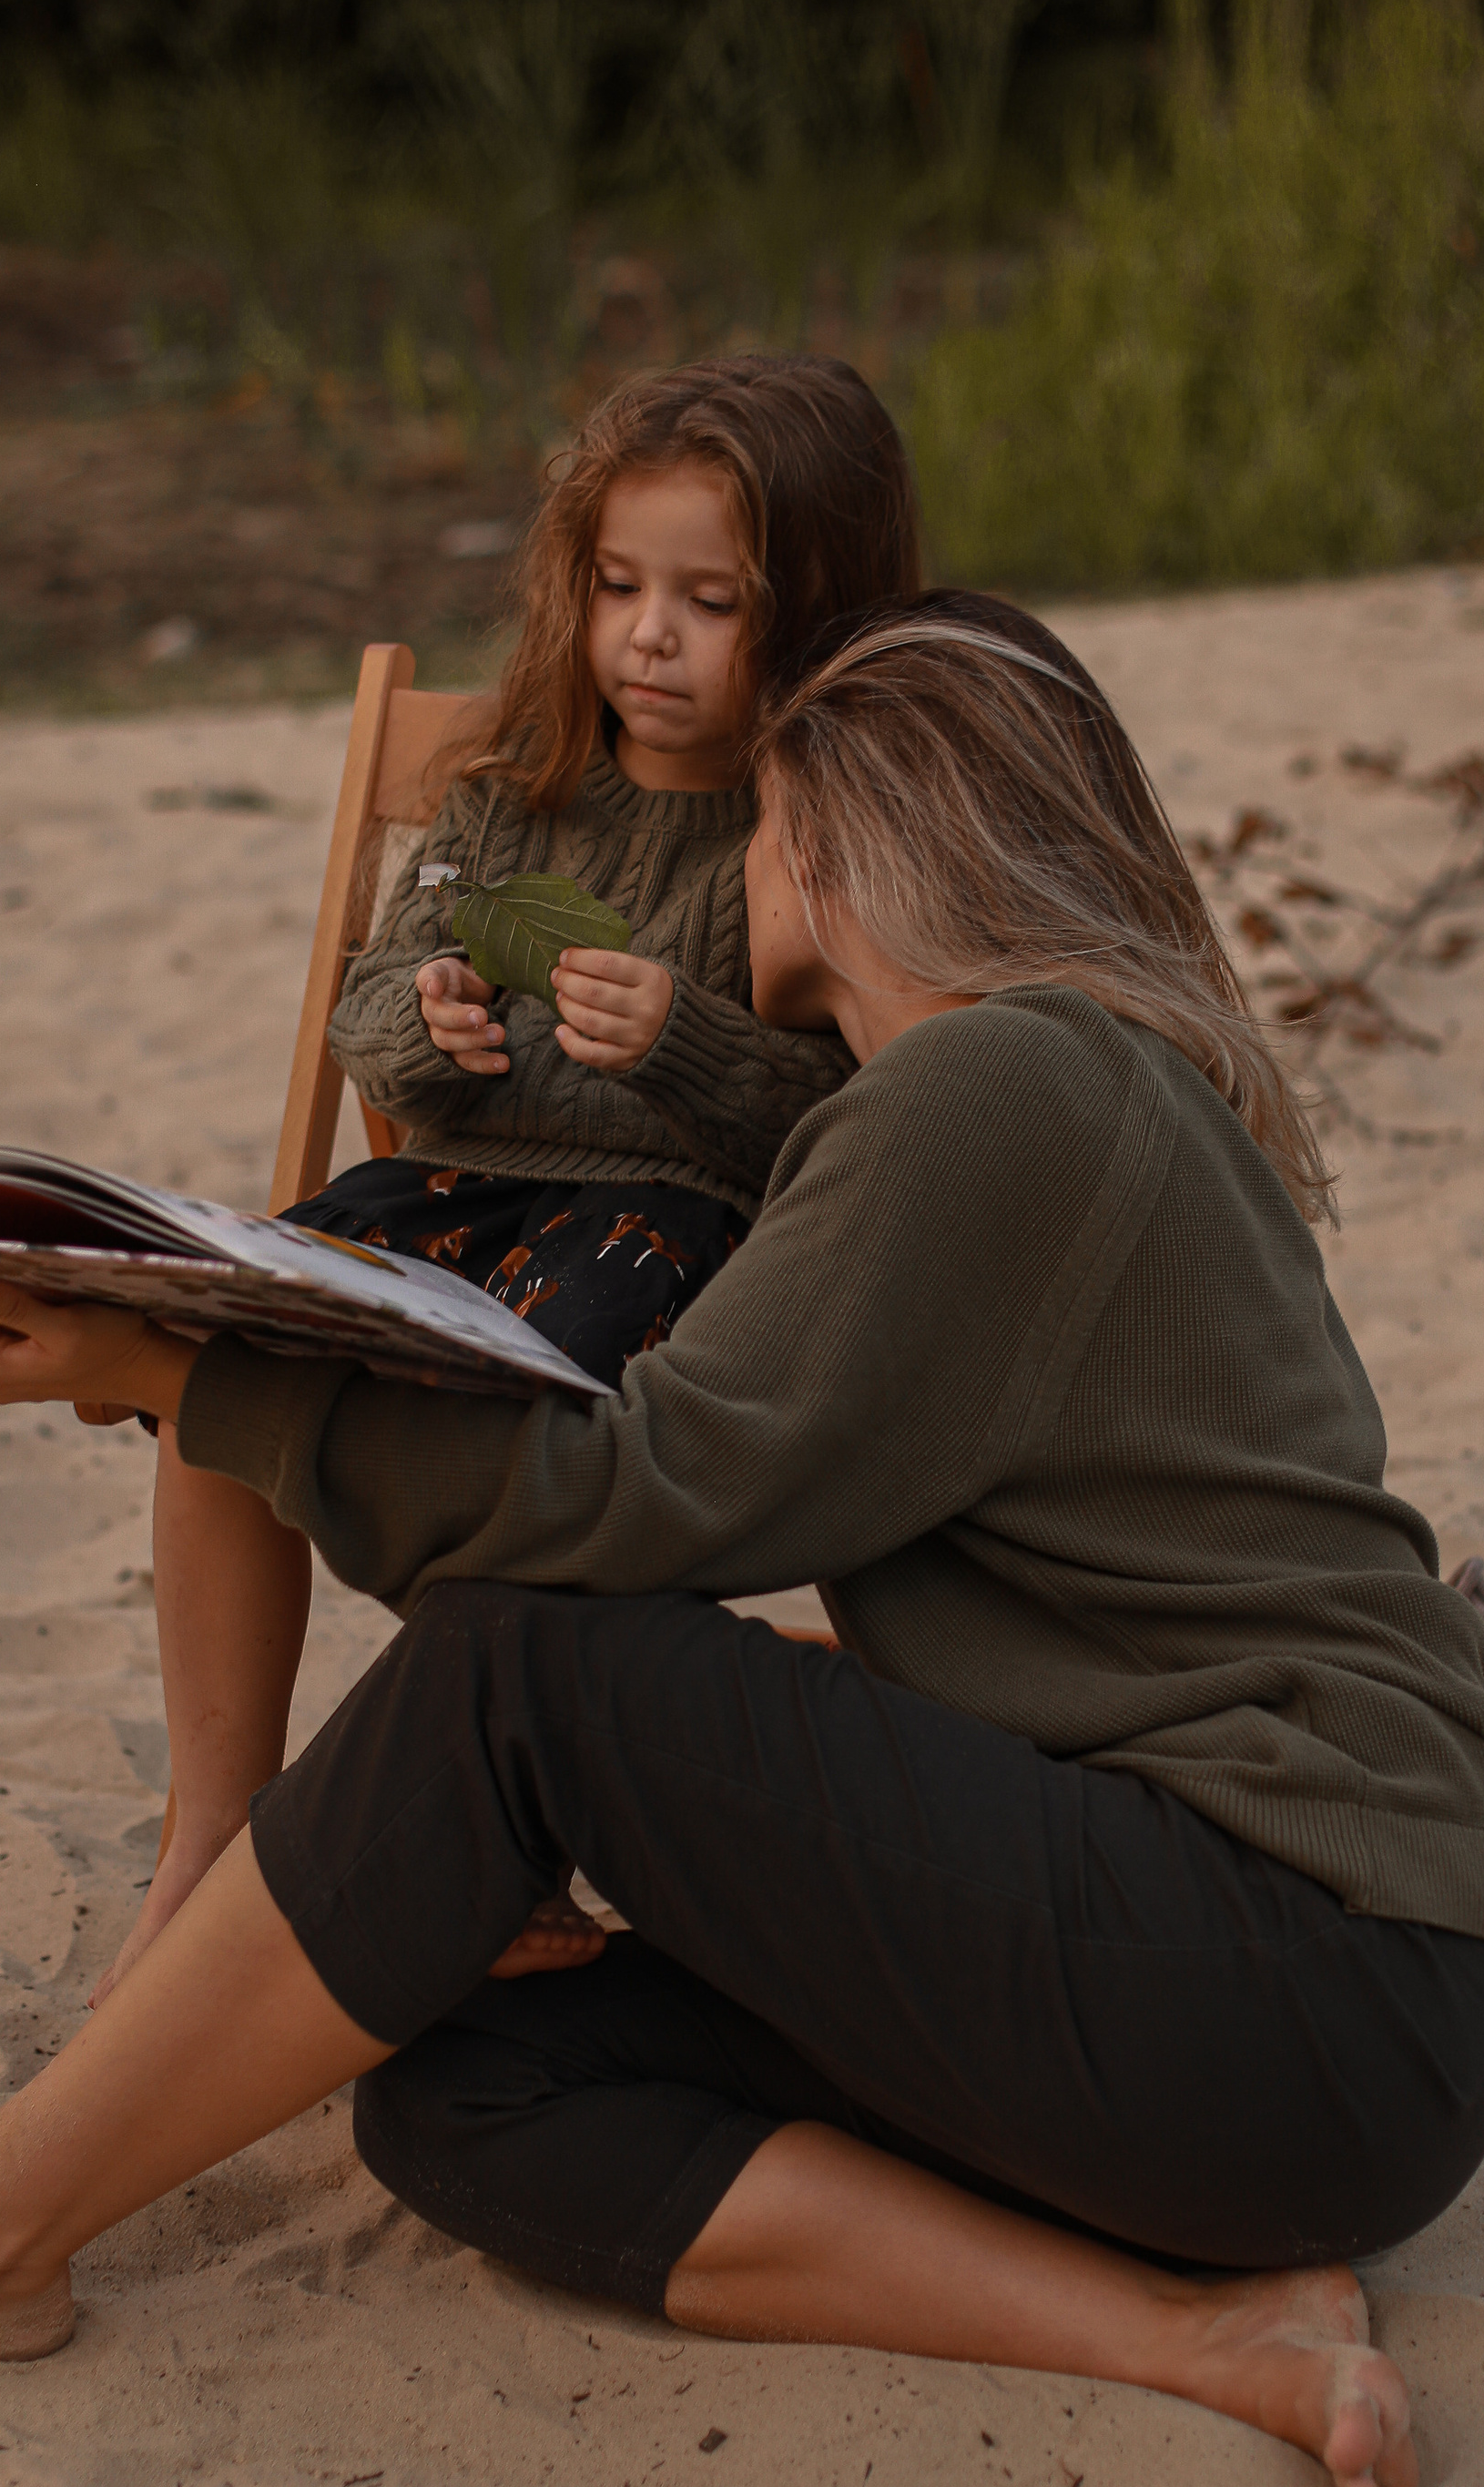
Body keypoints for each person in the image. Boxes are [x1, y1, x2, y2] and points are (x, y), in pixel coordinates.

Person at [0, 598, 1484, 2487]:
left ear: (847, 839)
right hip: (1294, 2031)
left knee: (521, 1670)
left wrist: (185, 1370)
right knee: (468, 2084)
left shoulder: (995, 1089)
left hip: (1298, 1967)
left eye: (765, 820)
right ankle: (1194, 2334)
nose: (738, 864)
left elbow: (630, 1509)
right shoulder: (1064, 1091)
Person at [123, 353, 920, 1999]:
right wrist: (425, 1023)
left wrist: (691, 1044)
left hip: (676, 1234)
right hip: (451, 1192)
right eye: (621, 586)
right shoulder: (502, 796)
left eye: (710, 601)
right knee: (217, 1363)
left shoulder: (817, 842)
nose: (649, 635)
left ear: (814, 616)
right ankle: (215, 1822)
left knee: (528, 1409)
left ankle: (497, 1838)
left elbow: (861, 1128)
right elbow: (362, 1009)